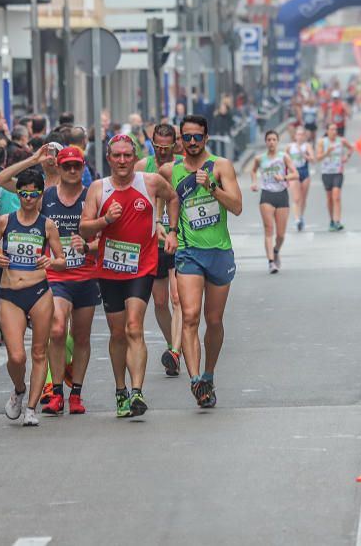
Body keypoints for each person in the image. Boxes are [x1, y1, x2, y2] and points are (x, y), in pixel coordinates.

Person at [81, 134, 179, 417]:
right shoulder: (98, 189)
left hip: (142, 266)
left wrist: (170, 230)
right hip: (110, 269)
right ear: (109, 158)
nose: (123, 161)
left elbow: (172, 197)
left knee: (134, 326)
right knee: (117, 333)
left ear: (135, 157)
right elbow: (85, 230)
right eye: (117, 156)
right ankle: (120, 389)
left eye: (127, 155)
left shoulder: (149, 181)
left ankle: (137, 391)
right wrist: (105, 220)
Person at [163, 116, 242, 408]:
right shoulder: (171, 170)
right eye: (187, 137)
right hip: (188, 252)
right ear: (180, 139)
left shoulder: (221, 167)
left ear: (206, 138)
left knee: (214, 320)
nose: (192, 142)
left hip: (219, 251)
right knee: (190, 315)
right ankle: (196, 381)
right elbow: (162, 200)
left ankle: (209, 373)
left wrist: (212, 188)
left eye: (197, 137)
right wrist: (166, 229)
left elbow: (237, 207)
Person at [0, 169, 64, 426]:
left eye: (34, 194)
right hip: (10, 293)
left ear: (40, 195)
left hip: (39, 292)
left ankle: (31, 408)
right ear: (17, 193)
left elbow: (62, 261)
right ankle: (19, 389)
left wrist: (51, 261)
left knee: (39, 352)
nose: (28, 199)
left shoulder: (47, 224)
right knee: (16, 357)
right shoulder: (4, 221)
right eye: (23, 194)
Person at [36, 146, 101, 415]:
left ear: (83, 167)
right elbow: (32, 228)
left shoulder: (92, 198)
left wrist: (87, 246)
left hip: (86, 275)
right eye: (67, 166)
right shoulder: (47, 197)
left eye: (77, 166)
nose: (72, 170)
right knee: (57, 328)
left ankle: (76, 393)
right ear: (58, 168)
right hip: (56, 276)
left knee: (81, 336)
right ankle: (57, 393)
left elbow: (106, 239)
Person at [136, 124, 184, 377]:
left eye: (167, 147)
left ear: (175, 145)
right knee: (161, 301)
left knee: (177, 298)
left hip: (177, 240)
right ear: (151, 144)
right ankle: (171, 343)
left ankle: (175, 352)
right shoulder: (142, 167)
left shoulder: (182, 166)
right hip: (150, 244)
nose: (162, 151)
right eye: (158, 146)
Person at [251, 130, 299, 274]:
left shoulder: (283, 157)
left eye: (274, 139)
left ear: (277, 142)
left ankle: (276, 250)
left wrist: (284, 178)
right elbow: (253, 171)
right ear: (266, 142)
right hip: (266, 195)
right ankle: (271, 262)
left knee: (281, 234)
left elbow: (295, 174)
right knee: (268, 229)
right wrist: (254, 182)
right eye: (269, 139)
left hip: (282, 195)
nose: (271, 142)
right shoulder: (260, 158)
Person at [316, 122, 354, 231]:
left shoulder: (341, 141)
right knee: (329, 198)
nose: (334, 132)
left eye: (335, 129)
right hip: (326, 172)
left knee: (336, 196)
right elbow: (318, 158)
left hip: (338, 171)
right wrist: (326, 153)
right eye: (332, 129)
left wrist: (347, 156)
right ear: (327, 131)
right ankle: (332, 220)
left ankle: (337, 221)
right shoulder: (322, 142)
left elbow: (351, 148)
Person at [286, 126, 314, 232]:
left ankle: (301, 216)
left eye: (302, 134)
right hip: (294, 172)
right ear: (295, 136)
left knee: (303, 198)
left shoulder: (307, 146)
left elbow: (313, 159)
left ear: (305, 136)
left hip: (304, 172)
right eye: (298, 134)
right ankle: (297, 219)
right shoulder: (290, 147)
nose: (300, 137)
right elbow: (284, 159)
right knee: (296, 198)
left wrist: (303, 154)